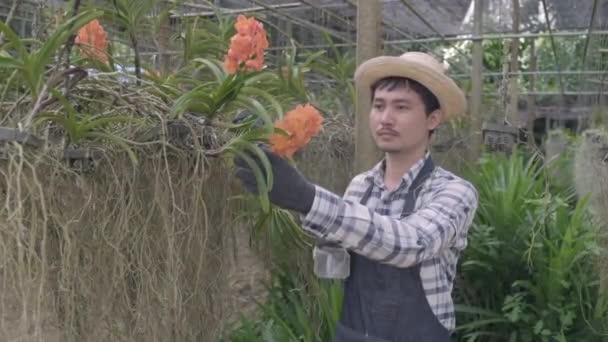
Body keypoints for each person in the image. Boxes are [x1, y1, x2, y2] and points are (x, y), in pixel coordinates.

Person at [235, 51, 479, 341]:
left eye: (402, 107)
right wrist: (275, 157)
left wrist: (307, 198)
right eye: (378, 105)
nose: (385, 118)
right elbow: (334, 262)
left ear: (432, 119)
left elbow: (412, 245)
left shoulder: (454, 191)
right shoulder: (361, 186)